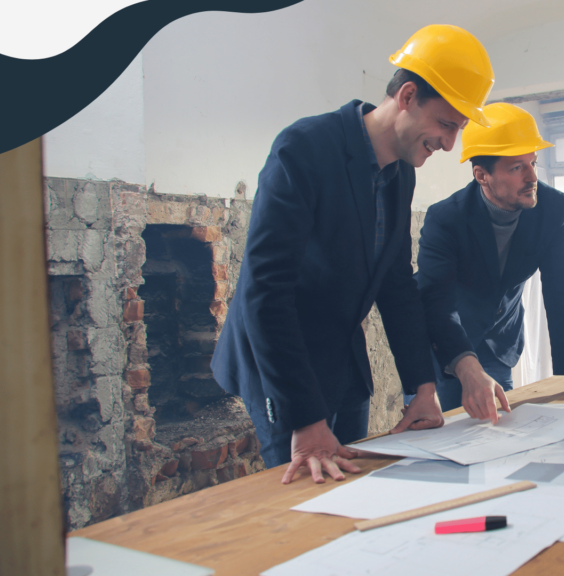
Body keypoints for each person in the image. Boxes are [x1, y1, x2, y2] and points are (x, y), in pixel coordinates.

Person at [211, 25, 495, 485]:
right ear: (406, 96)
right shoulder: (303, 150)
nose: (449, 144)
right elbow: (265, 293)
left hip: (342, 357)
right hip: (280, 362)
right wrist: (305, 420)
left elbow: (397, 284)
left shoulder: (402, 174)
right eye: (447, 124)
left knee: (356, 488)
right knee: (306, 495)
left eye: (458, 130)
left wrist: (421, 387)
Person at [415, 103, 564, 423]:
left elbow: (560, 287)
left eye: (533, 163)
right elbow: (436, 301)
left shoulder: (552, 207)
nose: (531, 177)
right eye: (516, 168)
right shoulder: (446, 218)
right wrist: (464, 366)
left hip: (500, 338)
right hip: (446, 339)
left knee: (499, 422)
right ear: (481, 175)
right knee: (456, 429)